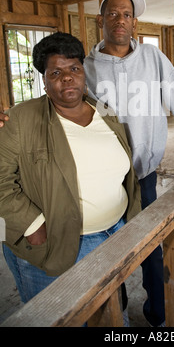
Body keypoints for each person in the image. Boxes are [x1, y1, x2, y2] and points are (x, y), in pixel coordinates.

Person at [0, 0, 174, 327]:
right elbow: (61, 110)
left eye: (126, 14)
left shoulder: (153, 58)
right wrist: (13, 117)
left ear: (134, 22)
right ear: (101, 21)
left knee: (152, 252)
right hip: (98, 181)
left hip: (140, 177)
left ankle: (158, 317)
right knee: (109, 259)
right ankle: (116, 306)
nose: (120, 20)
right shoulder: (84, 67)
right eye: (112, 14)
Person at [0, 32, 141, 321]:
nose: (67, 78)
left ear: (83, 73)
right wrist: (31, 224)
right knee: (57, 317)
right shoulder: (21, 119)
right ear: (45, 80)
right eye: (56, 72)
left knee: (111, 313)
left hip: (113, 233)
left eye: (74, 69)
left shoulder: (104, 111)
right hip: (57, 243)